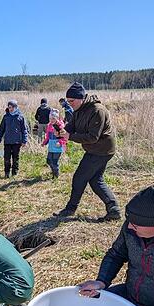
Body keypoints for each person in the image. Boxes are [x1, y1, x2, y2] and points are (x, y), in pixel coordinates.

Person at [53, 82, 121, 221]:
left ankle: (70, 209)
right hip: (95, 149)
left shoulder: (98, 110)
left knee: (79, 177)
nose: (69, 103)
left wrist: (69, 136)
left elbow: (92, 137)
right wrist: (62, 131)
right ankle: (113, 209)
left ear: (81, 98)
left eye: (72, 101)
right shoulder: (79, 109)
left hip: (102, 149)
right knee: (96, 180)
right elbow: (71, 126)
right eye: (68, 101)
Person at [0, 100, 29, 178]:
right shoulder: (6, 117)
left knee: (15, 158)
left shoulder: (20, 117)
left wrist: (24, 140)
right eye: (9, 107)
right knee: (6, 158)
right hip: (7, 141)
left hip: (17, 142)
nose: (9, 109)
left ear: (15, 107)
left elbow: (24, 130)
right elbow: (1, 129)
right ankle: (7, 173)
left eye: (11, 107)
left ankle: (14, 173)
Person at [40, 108, 67, 179]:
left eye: (53, 118)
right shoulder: (49, 125)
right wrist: (44, 143)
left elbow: (64, 137)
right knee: (49, 160)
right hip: (51, 146)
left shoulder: (60, 126)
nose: (51, 120)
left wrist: (60, 142)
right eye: (50, 118)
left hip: (57, 146)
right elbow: (48, 137)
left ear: (57, 118)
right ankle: (53, 171)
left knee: (54, 161)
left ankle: (56, 175)